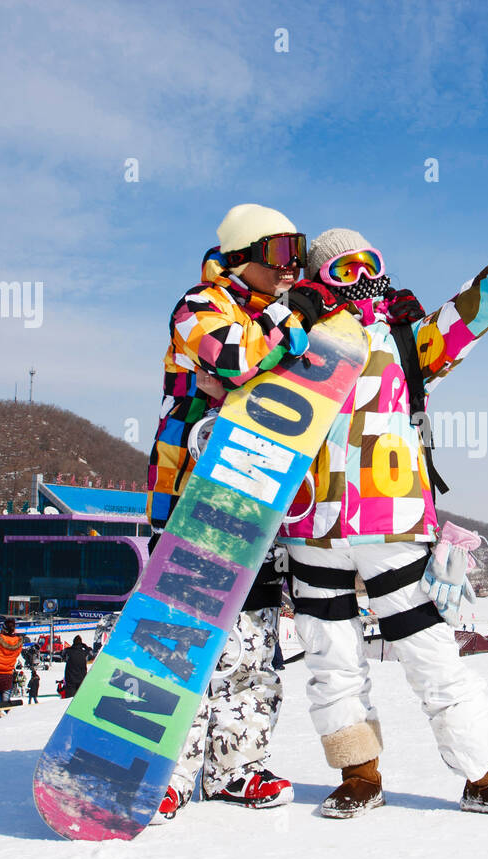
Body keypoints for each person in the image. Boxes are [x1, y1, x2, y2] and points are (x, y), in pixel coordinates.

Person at [279, 205, 488, 820]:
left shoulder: (406, 340)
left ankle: (485, 775)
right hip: (309, 521)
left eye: (370, 263)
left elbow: (473, 312)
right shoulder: (289, 342)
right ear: (317, 277)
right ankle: (358, 775)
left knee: (430, 652)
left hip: (388, 519)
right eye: (343, 266)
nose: (359, 277)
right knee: (330, 658)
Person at [144, 204, 329, 822]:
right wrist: (287, 323)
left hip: (257, 502)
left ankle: (234, 767)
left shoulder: (272, 318)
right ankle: (166, 768)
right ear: (242, 255)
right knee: (186, 638)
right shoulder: (200, 306)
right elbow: (234, 357)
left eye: (297, 254)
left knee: (250, 645)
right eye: (279, 253)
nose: (290, 268)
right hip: (194, 501)